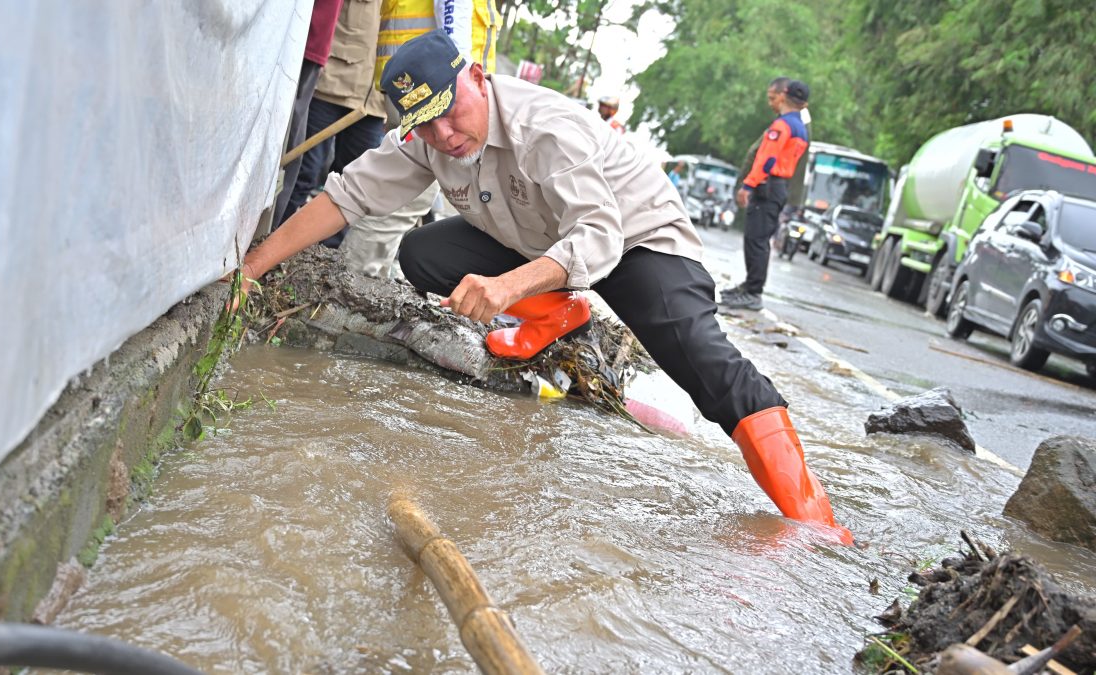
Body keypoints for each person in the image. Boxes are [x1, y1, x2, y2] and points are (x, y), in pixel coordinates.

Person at [238, 31, 851, 544]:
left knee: (703, 362)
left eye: (453, 113)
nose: (447, 135)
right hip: (541, 240)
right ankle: (558, 315)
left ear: (478, 77)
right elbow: (348, 194)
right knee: (424, 252)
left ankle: (814, 525)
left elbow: (600, 237)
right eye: (426, 126)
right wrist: (253, 266)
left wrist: (507, 288)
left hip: (635, 239)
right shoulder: (429, 138)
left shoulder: (545, 127)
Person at [338, 0, 502, 279]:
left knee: (402, 191)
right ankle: (355, 282)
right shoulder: (449, 90)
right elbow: (454, 12)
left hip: (423, 90)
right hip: (433, 95)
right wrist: (458, 91)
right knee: (400, 196)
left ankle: (370, 277)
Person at [721, 79, 811, 311]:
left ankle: (753, 293)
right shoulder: (801, 127)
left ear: (783, 96)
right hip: (780, 185)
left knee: (756, 240)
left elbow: (766, 159)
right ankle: (749, 287)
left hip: (767, 185)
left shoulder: (781, 126)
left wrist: (748, 185)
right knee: (759, 239)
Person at [267, 0, 346, 236]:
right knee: (288, 153)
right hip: (290, 37)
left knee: (292, 154)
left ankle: (267, 239)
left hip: (311, 42)